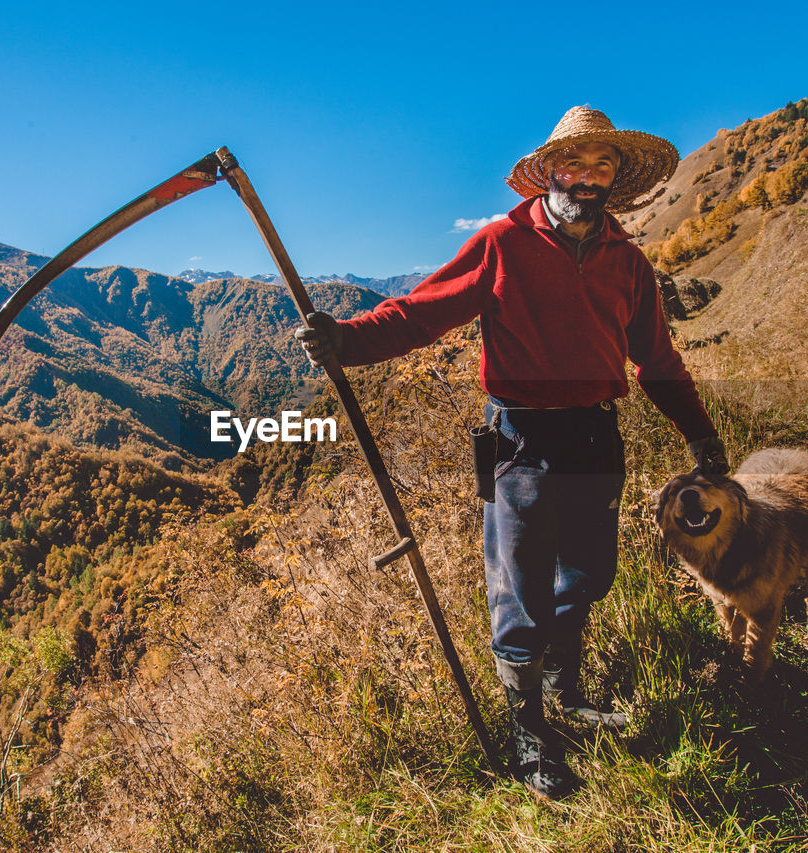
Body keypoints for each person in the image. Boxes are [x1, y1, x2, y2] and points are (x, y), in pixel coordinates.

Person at [295, 107, 728, 798]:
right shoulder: (503, 243)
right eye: (573, 165)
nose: (586, 178)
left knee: (587, 574)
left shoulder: (628, 262)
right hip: (519, 441)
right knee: (519, 588)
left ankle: (564, 693)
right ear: (548, 173)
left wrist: (699, 432)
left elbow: (659, 361)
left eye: (601, 166)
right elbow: (419, 311)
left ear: (615, 178)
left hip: (594, 433)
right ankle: (530, 734)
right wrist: (345, 340)